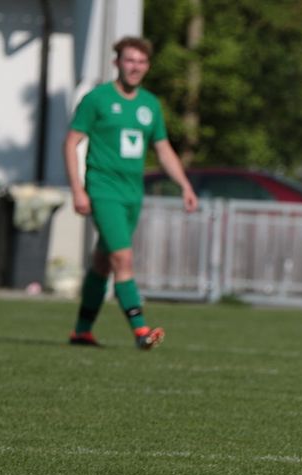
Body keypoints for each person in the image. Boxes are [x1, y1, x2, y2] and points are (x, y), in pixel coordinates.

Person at [65, 36, 198, 350]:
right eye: (129, 60)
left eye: (141, 61)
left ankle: (82, 332)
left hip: (132, 194)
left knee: (103, 261)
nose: (135, 67)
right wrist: (78, 189)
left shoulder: (150, 104)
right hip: (103, 189)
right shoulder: (97, 99)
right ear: (117, 63)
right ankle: (141, 331)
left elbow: (163, 149)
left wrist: (184, 185)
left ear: (147, 66)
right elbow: (71, 142)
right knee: (123, 258)